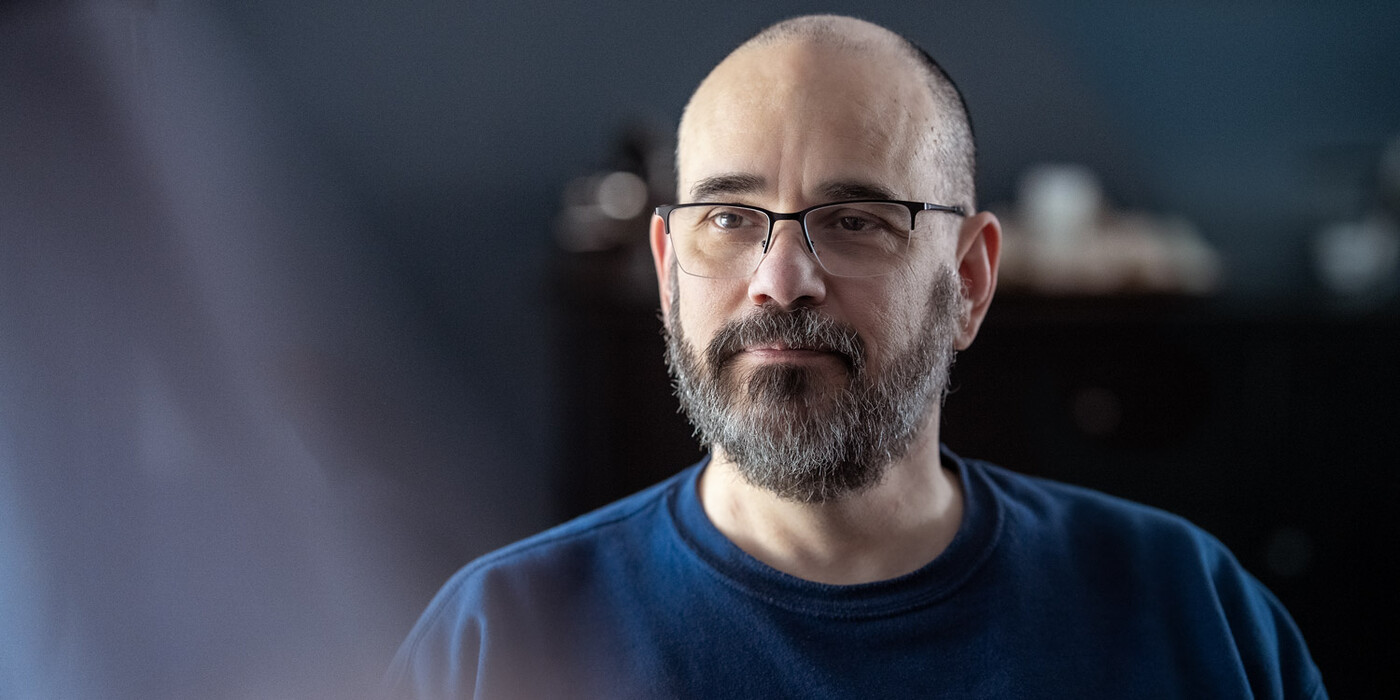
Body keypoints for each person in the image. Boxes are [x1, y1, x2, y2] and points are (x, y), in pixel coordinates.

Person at [385, 14, 1326, 699]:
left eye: (854, 220)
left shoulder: (1191, 614)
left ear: (969, 279)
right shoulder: (496, 642)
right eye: (729, 219)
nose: (780, 281)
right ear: (668, 272)